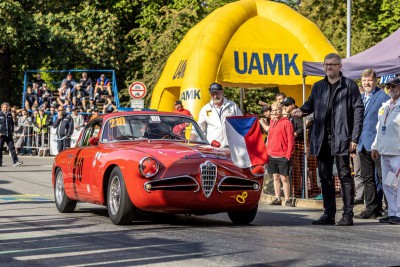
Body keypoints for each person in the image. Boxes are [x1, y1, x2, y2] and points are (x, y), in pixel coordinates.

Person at [291, 53, 364, 226]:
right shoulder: (318, 86)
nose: (329, 67)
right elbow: (310, 104)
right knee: (324, 176)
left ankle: (348, 215)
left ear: (340, 66)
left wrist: (354, 137)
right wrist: (300, 110)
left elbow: (359, 111)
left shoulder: (349, 85)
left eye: (332, 64)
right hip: (321, 137)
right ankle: (329, 214)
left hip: (342, 136)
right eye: (326, 65)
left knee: (345, 175)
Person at [354, 69, 390, 219]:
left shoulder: (382, 97)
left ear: (375, 81)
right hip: (362, 143)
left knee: (383, 177)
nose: (367, 83)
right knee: (367, 178)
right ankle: (371, 208)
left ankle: (390, 209)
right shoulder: (360, 98)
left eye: (369, 80)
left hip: (377, 144)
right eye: (364, 80)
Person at [371, 77, 400, 225]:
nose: (390, 89)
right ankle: (393, 212)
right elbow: (379, 129)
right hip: (385, 152)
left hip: (398, 152)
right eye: (388, 86)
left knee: (399, 183)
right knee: (388, 184)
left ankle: (399, 213)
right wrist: (375, 146)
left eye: (393, 86)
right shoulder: (385, 106)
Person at [194, 82, 242, 147]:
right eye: (212, 94)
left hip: (231, 147)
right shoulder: (205, 109)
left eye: (217, 93)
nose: (215, 96)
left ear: (222, 92)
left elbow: (241, 123)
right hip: (213, 148)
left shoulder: (232, 106)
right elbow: (198, 128)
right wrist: (191, 142)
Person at [267, 102, 295, 207]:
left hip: (283, 155)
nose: (275, 112)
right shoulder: (272, 122)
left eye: (278, 110)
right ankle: (277, 198)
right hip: (272, 154)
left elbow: (291, 140)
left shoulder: (287, 123)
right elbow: (270, 138)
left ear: (281, 110)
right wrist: (268, 152)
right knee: (275, 178)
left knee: (284, 179)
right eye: (274, 110)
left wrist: (288, 155)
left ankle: (287, 199)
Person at [0, 102, 23, 166]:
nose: (5, 108)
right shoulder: (0, 114)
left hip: (8, 134)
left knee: (12, 148)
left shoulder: (9, 114)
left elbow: (12, 124)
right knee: (0, 148)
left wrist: (12, 131)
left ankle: (15, 161)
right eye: (4, 107)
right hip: (1, 134)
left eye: (6, 107)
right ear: (2, 108)